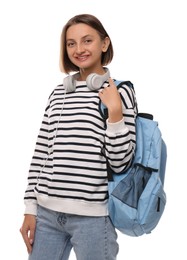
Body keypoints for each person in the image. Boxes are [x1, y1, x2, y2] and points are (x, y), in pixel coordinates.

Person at [20, 13, 138, 260]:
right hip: (47, 214)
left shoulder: (119, 91)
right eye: (71, 43)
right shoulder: (59, 93)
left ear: (104, 44)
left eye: (87, 41)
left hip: (93, 219)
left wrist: (115, 113)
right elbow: (42, 152)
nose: (79, 49)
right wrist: (30, 208)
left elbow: (121, 162)